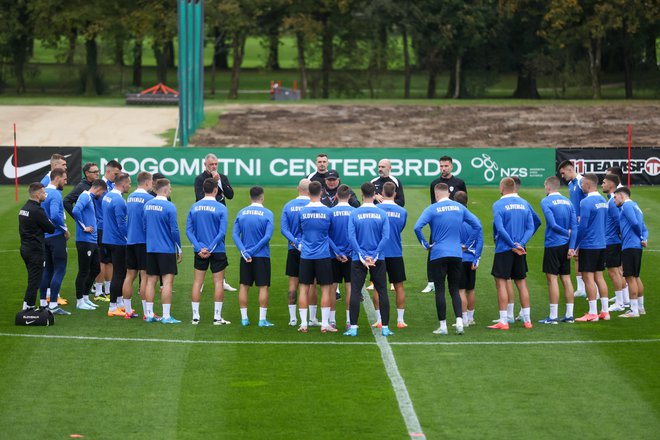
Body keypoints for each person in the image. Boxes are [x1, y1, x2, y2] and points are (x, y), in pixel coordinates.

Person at [415, 183, 482, 335]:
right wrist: (467, 244)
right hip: (456, 253)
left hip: (438, 253)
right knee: (454, 289)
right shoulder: (459, 208)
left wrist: (425, 244)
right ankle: (459, 322)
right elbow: (477, 226)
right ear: (449, 194)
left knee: (440, 290)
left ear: (436, 194)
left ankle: (443, 326)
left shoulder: (432, 208)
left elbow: (417, 227)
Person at [344, 183, 392, 337]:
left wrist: (362, 256)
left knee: (355, 291)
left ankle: (353, 328)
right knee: (382, 291)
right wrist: (375, 255)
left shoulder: (355, 213)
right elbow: (386, 237)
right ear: (375, 193)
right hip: (378, 259)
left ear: (361, 194)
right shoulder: (382, 213)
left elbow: (351, 237)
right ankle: (385, 327)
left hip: (359, 259)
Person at [488, 177, 535, 330]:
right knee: (521, 283)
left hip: (504, 248)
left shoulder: (498, 204)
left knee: (501, 283)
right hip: (520, 250)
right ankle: (527, 320)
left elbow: (500, 228)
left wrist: (512, 245)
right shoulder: (524, 203)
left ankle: (504, 321)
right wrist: (520, 244)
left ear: (502, 187)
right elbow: (531, 227)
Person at [296, 181, 342, 333]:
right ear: (321, 193)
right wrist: (338, 252)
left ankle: (303, 324)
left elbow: (300, 232)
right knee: (326, 290)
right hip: (323, 255)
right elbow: (330, 234)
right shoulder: (328, 212)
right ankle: (324, 324)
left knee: (303, 289)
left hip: (306, 256)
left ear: (308, 193)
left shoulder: (302, 212)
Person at [186, 178, 230, 325]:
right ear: (216, 190)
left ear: (203, 190)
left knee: (197, 282)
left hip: (200, 251)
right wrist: (210, 248)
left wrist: (199, 248)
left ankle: (195, 316)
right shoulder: (222, 208)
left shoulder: (194, 207)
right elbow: (222, 232)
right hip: (217, 249)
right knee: (218, 282)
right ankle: (217, 317)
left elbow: (188, 231)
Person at [423, 155, 468, 293]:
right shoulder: (434, 183)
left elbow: (464, 206)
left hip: (454, 225)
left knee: (455, 250)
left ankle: (455, 280)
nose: (443, 168)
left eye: (446, 166)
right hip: (439, 225)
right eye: (441, 166)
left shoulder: (459, 183)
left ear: (451, 166)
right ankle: (431, 282)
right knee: (433, 251)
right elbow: (433, 204)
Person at [232, 186, 275, 327]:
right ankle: (262, 320)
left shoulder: (241, 213)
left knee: (244, 286)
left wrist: (245, 251)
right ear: (262, 197)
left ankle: (244, 319)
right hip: (262, 256)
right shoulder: (268, 213)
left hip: (245, 256)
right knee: (263, 287)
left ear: (250, 197)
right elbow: (267, 237)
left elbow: (234, 235)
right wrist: (253, 250)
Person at [193, 153, 236, 292]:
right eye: (211, 164)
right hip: (204, 219)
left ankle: (222, 280)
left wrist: (219, 183)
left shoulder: (222, 177)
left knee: (219, 246)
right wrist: (219, 196)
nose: (214, 166)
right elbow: (200, 197)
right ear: (205, 164)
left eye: (216, 164)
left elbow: (230, 195)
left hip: (219, 218)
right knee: (203, 244)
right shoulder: (200, 179)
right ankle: (201, 281)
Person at [538, 176, 577, 324]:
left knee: (552, 279)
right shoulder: (568, 202)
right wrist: (572, 246)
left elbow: (552, 224)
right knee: (566, 278)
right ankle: (569, 315)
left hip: (553, 244)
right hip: (567, 246)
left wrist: (563, 232)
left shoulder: (546, 201)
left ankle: (553, 316)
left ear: (548, 187)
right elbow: (574, 227)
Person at [144, 178, 183, 324]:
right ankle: (166, 316)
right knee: (167, 282)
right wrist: (178, 247)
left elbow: (145, 226)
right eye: (170, 188)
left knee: (150, 281)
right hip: (166, 249)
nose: (171, 190)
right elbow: (174, 230)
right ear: (165, 190)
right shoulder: (170, 207)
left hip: (151, 248)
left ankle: (149, 314)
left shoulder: (147, 205)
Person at [573, 173, 610, 322]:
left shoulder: (585, 202)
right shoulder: (603, 200)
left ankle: (592, 313)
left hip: (589, 244)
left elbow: (582, 227)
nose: (581, 187)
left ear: (588, 185)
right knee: (599, 277)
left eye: (582, 184)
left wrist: (575, 245)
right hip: (601, 243)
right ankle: (605, 312)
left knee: (588, 278)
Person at [374, 182, 408, 329]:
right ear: (395, 193)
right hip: (395, 252)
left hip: (379, 253)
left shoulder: (376, 209)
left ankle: (379, 320)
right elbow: (400, 228)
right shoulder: (402, 211)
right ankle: (400, 320)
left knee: (377, 286)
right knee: (399, 286)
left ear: (382, 192)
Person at [71, 179, 107, 311]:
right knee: (84, 271)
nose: (102, 195)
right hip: (84, 240)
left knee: (96, 269)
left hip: (92, 240)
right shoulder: (85, 196)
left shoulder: (89, 197)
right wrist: (83, 227)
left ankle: (85, 297)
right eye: (103, 192)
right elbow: (76, 210)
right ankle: (79, 301)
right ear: (99, 189)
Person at [39, 168, 71, 315]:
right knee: (59, 269)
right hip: (56, 237)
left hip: (44, 237)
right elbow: (54, 215)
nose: (66, 181)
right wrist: (64, 229)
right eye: (64, 179)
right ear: (57, 178)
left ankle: (43, 303)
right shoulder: (56, 194)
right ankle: (52, 304)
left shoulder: (43, 192)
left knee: (47, 270)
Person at [123, 171, 154, 320]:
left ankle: (128, 310)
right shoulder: (149, 199)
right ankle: (146, 312)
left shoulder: (130, 197)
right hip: (143, 242)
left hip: (130, 241)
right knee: (145, 277)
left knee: (129, 275)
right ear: (148, 182)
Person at [19, 183, 55, 310]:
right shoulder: (38, 210)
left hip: (25, 248)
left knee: (32, 278)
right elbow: (51, 229)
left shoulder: (24, 208)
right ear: (38, 194)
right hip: (35, 250)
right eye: (43, 192)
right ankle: (29, 307)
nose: (45, 194)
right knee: (35, 280)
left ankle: (27, 304)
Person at [280, 179, 311, 326]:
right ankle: (311, 318)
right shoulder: (313, 206)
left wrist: (295, 242)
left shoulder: (288, 205)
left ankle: (293, 318)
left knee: (292, 285)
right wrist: (304, 242)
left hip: (293, 249)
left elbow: (283, 229)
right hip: (310, 250)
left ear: (298, 188)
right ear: (310, 189)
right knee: (311, 284)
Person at [614, 187, 647, 318]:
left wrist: (639, 237)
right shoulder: (636, 206)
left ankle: (634, 310)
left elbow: (634, 223)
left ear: (622, 196)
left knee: (630, 278)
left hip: (630, 246)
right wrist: (643, 238)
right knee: (636, 276)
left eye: (615, 197)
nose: (614, 200)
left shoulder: (627, 206)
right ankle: (640, 307)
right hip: (636, 246)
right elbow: (644, 228)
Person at [102, 172, 131, 317]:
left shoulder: (107, 196)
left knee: (120, 272)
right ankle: (113, 307)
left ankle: (119, 303)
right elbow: (121, 224)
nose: (130, 186)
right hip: (118, 241)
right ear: (123, 183)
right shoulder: (119, 201)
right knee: (119, 273)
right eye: (129, 183)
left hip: (108, 239)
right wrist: (128, 239)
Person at [94, 159, 122, 301]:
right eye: (115, 174)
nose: (117, 177)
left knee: (109, 260)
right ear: (108, 171)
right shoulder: (101, 186)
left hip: (109, 229)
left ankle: (108, 289)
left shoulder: (111, 186)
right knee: (102, 260)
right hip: (102, 228)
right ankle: (99, 291)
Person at [330, 184, 357, 331]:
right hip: (350, 256)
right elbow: (356, 236)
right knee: (350, 288)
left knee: (332, 288)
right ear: (350, 196)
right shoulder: (354, 212)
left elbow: (326, 235)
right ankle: (348, 321)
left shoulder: (330, 212)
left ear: (336, 196)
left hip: (333, 256)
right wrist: (346, 252)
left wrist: (336, 252)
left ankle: (332, 321)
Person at [558, 160, 587, 297]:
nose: (562, 176)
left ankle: (593, 289)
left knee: (586, 257)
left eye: (563, 173)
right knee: (576, 256)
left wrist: (583, 216)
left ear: (569, 169)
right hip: (575, 226)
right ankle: (581, 288)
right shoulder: (571, 184)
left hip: (584, 227)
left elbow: (589, 201)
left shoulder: (582, 182)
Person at [454, 191, 483, 327]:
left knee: (460, 290)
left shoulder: (454, 219)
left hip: (458, 258)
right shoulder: (475, 219)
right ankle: (471, 318)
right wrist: (477, 259)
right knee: (470, 289)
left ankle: (464, 319)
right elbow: (480, 241)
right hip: (471, 259)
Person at [601, 174, 627, 312]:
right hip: (613, 240)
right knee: (617, 271)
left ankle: (620, 303)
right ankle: (624, 299)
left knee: (613, 272)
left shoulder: (612, 201)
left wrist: (620, 234)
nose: (602, 184)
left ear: (611, 185)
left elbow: (618, 220)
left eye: (604, 182)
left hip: (611, 241)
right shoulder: (613, 200)